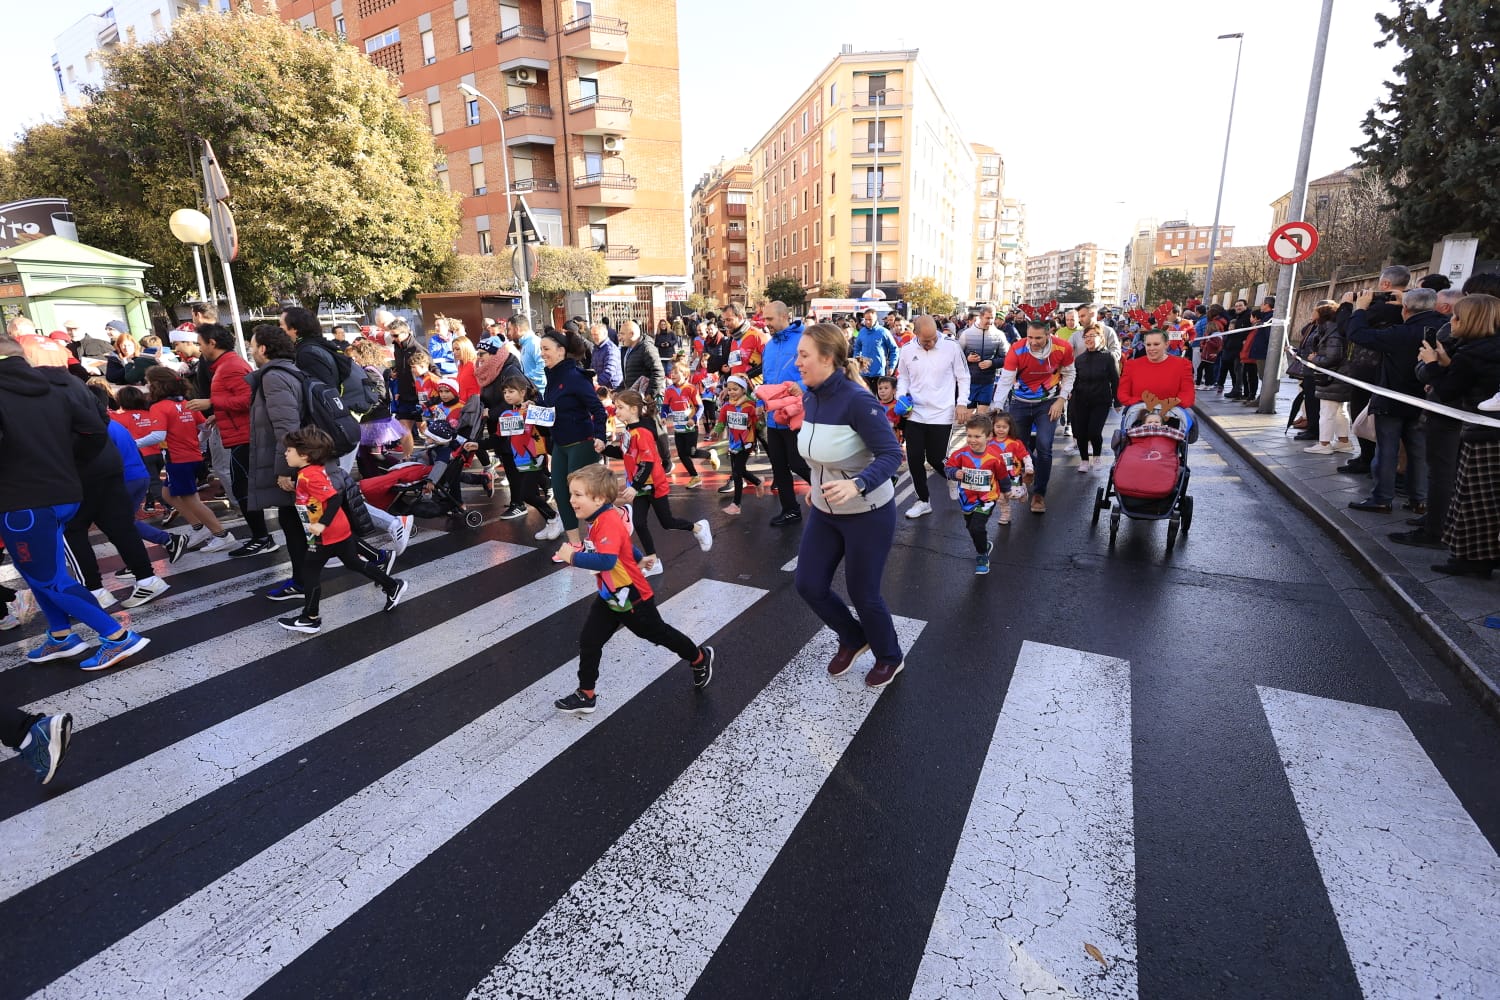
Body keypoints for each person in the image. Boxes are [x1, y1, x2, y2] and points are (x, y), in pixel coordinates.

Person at [0, 326, 150, 671]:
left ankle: (116, 637)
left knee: (49, 578)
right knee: (38, 572)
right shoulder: (53, 387)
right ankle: (61, 634)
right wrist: (66, 461)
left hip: (22, 500)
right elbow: (95, 429)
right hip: (61, 491)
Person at [792, 321, 905, 689]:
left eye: (804, 355)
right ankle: (854, 638)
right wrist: (816, 484)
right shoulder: (810, 395)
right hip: (826, 511)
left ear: (827, 358)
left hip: (868, 513)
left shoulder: (858, 401)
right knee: (808, 584)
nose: (798, 362)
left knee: (864, 593)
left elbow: (891, 455)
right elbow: (820, 455)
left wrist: (857, 484)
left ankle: (890, 655)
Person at [552, 463, 716, 715]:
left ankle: (699, 658)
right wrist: (638, 557)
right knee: (589, 640)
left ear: (598, 498)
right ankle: (586, 694)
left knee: (657, 633)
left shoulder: (606, 521)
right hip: (610, 594)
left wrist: (571, 557)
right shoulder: (599, 517)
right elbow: (623, 545)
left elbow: (606, 560)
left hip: (631, 595)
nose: (571, 500)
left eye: (577, 495)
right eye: (571, 493)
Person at [275, 427, 407, 633]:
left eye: (289, 450)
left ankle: (310, 618)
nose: (285, 454)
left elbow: (334, 498)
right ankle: (392, 585)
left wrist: (320, 525)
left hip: (326, 534)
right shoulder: (309, 472)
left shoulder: (309, 476)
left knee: (309, 571)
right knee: (354, 563)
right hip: (337, 530)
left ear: (305, 455)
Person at [66, 385, 174, 610]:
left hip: (87, 475)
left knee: (73, 530)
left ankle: (94, 590)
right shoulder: (99, 414)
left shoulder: (56, 402)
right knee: (122, 526)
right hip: (115, 473)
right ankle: (147, 577)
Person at [1347, 287, 1445, 514]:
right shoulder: (1444, 326)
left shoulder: (1399, 333)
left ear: (1406, 309)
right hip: (1425, 400)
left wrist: (1360, 309)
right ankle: (1419, 499)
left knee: (1387, 451)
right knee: (1418, 452)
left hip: (1392, 399)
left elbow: (1357, 334)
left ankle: (1382, 498)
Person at [1424, 294, 1500, 576]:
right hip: (1489, 429)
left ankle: (1472, 559)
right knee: (1487, 499)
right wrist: (1446, 364)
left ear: (1469, 321)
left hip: (1483, 433)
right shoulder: (1488, 349)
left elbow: (1448, 392)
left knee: (1474, 498)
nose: (1451, 322)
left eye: (1456, 317)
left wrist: (1433, 364)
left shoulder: (1472, 353)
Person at [598, 389, 712, 577]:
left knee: (667, 522)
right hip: (640, 486)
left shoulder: (642, 432)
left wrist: (634, 487)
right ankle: (653, 562)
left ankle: (698, 527)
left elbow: (648, 462)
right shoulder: (629, 430)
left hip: (653, 484)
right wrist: (605, 449)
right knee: (639, 523)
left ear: (634, 409)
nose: (616, 411)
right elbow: (624, 453)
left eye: (620, 407)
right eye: (616, 407)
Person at [246, 324, 314, 601]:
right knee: (301, 523)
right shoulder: (291, 371)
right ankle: (303, 580)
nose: (250, 350)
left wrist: (286, 470)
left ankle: (303, 584)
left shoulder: (274, 377)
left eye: (252, 345)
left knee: (296, 525)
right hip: (297, 459)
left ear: (263, 348)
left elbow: (286, 427)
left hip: (291, 462)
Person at [143, 367, 234, 552]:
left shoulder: (159, 407)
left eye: (148, 382)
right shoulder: (186, 403)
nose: (146, 386)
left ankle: (222, 535)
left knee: (191, 500)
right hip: (191, 457)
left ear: (156, 385)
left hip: (178, 459)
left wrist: (131, 442)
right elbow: (206, 427)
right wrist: (198, 443)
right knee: (168, 494)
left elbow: (157, 435)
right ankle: (199, 528)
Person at [995, 319, 1075, 514]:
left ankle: (1039, 494)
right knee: (1017, 446)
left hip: (1048, 403)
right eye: (1030, 336)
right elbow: (1005, 379)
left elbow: (1070, 374)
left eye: (1038, 338)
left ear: (1049, 335)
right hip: (1020, 403)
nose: (1033, 341)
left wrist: (1061, 400)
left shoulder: (1062, 348)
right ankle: (1034, 469)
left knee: (1044, 445)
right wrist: (997, 405)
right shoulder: (1017, 348)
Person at [896, 315, 971, 519]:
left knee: (937, 459)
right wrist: (900, 397)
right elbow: (902, 376)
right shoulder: (907, 349)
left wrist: (962, 403)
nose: (930, 343)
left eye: (933, 339)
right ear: (916, 334)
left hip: (942, 412)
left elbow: (963, 376)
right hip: (915, 413)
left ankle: (952, 477)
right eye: (925, 340)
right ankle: (923, 501)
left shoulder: (951, 347)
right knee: (914, 458)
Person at [540, 327, 609, 546]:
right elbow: (554, 408)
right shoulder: (552, 375)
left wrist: (600, 436)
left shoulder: (575, 376)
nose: (542, 353)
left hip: (581, 443)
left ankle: (602, 536)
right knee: (561, 493)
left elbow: (598, 410)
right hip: (560, 444)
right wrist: (534, 406)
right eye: (541, 349)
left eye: (546, 349)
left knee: (584, 496)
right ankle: (574, 544)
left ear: (561, 351)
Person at [944, 414, 1019, 575]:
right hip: (966, 499)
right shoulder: (961, 454)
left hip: (987, 499)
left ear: (988, 436)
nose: (972, 440)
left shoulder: (995, 457)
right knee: (971, 527)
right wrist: (954, 472)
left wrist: (1006, 491)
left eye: (977, 436)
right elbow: (948, 468)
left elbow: (1002, 476)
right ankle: (984, 545)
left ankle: (982, 556)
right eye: (969, 435)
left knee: (977, 527)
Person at [759, 301, 813, 527]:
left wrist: (803, 384)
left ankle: (832, 491)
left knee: (798, 463)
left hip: (796, 415)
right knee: (779, 465)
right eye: (765, 319)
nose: (766, 323)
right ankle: (790, 510)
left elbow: (821, 368)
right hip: (774, 416)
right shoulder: (769, 345)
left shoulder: (805, 339)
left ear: (784, 316)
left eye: (770, 319)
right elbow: (767, 379)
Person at [1117, 330, 1196, 429]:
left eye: (1156, 344)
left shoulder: (1182, 365)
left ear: (1166, 344)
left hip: (1172, 418)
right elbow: (1123, 394)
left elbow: (1187, 394)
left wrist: (1169, 405)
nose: (1151, 348)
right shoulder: (1132, 365)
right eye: (1148, 345)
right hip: (1139, 417)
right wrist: (1141, 402)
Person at [1069, 326, 1119, 472]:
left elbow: (1115, 380)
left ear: (1101, 337)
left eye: (1093, 335)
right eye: (1086, 336)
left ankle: (1096, 456)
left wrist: (1117, 401)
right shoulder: (1079, 359)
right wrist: (1069, 393)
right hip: (1080, 400)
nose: (1089, 339)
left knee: (1094, 432)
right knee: (1080, 432)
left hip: (1100, 401)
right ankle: (1084, 460)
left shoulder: (1108, 357)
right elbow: (1074, 380)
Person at [712, 374, 764, 513]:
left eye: (735, 389)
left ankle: (736, 505)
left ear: (743, 390)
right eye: (729, 390)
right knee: (741, 470)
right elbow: (721, 423)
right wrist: (716, 431)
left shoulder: (750, 406)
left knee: (736, 473)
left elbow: (758, 425)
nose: (732, 392)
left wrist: (759, 419)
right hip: (733, 444)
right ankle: (758, 482)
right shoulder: (726, 407)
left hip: (746, 443)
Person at [959, 306, 1008, 416]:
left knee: (983, 416)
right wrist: (967, 358)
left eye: (992, 318)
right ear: (980, 317)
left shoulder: (999, 335)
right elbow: (957, 356)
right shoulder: (967, 334)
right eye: (987, 318)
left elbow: (1007, 359)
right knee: (969, 416)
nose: (990, 321)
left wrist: (992, 363)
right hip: (969, 381)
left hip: (987, 381)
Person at [989, 412, 1034, 526]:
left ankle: (1023, 490)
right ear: (993, 427)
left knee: (1013, 495)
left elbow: (1025, 456)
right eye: (998, 426)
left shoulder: (1015, 443)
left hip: (1013, 475)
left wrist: (1029, 467)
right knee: (1000, 496)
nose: (1000, 430)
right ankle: (1005, 514)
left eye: (1004, 427)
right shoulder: (989, 443)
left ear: (1010, 428)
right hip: (997, 476)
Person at [663, 362, 703, 488]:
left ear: (685, 374)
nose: (672, 374)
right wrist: (663, 417)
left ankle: (709, 454)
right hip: (678, 428)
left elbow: (700, 406)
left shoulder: (691, 388)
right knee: (682, 454)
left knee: (691, 452)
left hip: (691, 427)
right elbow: (665, 406)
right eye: (671, 372)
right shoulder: (669, 390)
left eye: (676, 372)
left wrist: (694, 418)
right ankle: (695, 477)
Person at [852, 309, 898, 382]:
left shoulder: (884, 332)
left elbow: (894, 350)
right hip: (864, 373)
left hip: (879, 373)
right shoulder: (862, 332)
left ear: (876, 318)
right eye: (866, 319)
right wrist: (856, 362)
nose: (867, 322)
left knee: (880, 393)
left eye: (870, 319)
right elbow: (857, 348)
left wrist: (892, 366)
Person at [508, 315, 546, 392]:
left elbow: (543, 367)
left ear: (517, 329)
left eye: (510, 329)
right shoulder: (525, 344)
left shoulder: (534, 343)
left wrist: (523, 379)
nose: (509, 333)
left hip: (540, 394)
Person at [589, 321, 622, 391]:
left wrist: (596, 384)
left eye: (596, 334)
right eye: (592, 334)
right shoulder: (596, 347)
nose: (593, 337)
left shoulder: (610, 349)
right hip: (601, 386)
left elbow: (609, 372)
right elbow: (592, 367)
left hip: (611, 388)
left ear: (604, 334)